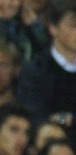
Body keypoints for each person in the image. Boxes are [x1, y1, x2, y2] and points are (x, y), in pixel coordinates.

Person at [17, 0, 76, 134]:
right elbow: (38, 118)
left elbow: (56, 118)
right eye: (73, 25)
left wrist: (68, 118)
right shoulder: (34, 72)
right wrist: (65, 119)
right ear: (53, 28)